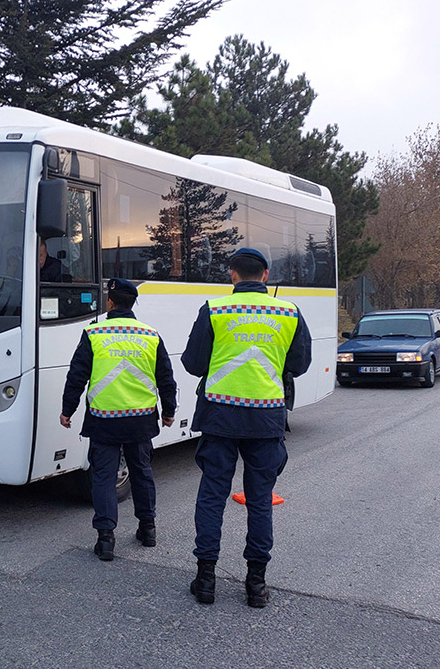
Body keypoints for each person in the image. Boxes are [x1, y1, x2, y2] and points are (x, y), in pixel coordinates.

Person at [180, 247, 311, 607]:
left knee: (211, 496)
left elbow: (193, 363)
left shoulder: (215, 309)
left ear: (232, 275)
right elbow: (299, 365)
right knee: (259, 501)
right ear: (265, 276)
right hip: (266, 417)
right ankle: (256, 585)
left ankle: (205, 579)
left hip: (219, 416)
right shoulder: (289, 312)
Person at [61, 278, 178, 561]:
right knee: (142, 472)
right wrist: (169, 410)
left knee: (103, 477)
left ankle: (105, 539)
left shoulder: (94, 333)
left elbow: (77, 375)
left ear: (110, 302)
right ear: (133, 303)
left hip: (104, 418)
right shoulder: (151, 335)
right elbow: (165, 377)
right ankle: (147, 529)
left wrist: (68, 410)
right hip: (140, 419)